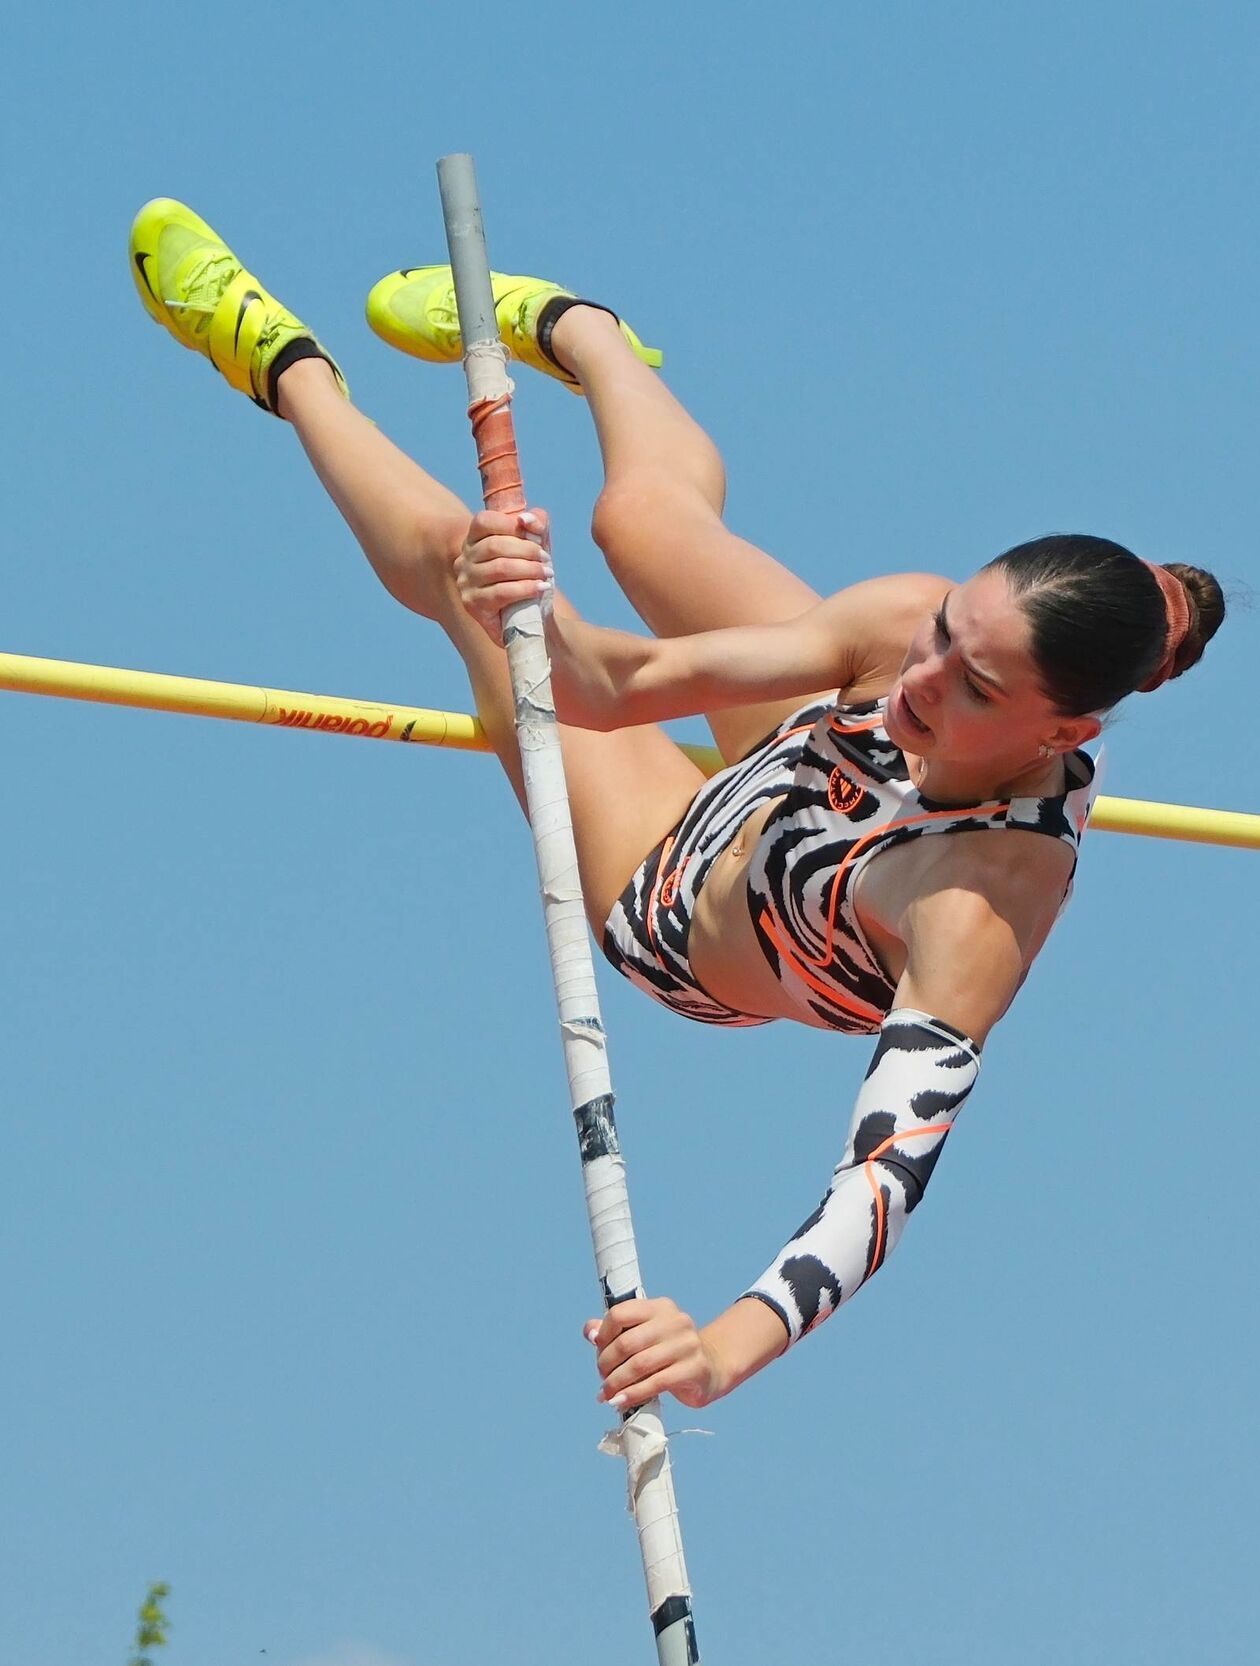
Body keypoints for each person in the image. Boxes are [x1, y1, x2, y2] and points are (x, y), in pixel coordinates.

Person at [130, 198, 1225, 1415]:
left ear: (1064, 733)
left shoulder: (981, 906)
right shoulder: (906, 651)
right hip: (810, 766)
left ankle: (281, 365)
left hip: (686, 893)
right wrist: (545, 603)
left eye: (971, 682)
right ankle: (583, 328)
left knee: (457, 568)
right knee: (641, 523)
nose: (920, 679)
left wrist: (723, 1346)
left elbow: (885, 1179)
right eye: (941, 633)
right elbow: (615, 684)